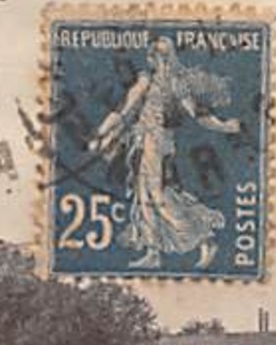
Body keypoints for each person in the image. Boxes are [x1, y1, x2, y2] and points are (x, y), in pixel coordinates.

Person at [88, 36, 242, 270]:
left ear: (158, 57)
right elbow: (127, 112)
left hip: (156, 145)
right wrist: (223, 126)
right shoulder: (157, 81)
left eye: (152, 56)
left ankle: (203, 239)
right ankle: (153, 252)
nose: (149, 60)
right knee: (145, 196)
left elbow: (125, 110)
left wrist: (100, 134)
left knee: (157, 197)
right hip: (146, 143)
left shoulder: (165, 83)